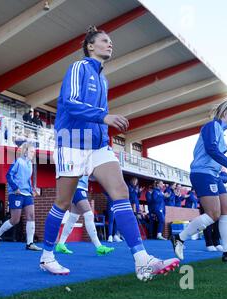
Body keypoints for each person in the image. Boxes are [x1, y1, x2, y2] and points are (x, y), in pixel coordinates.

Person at [38, 26, 179, 279]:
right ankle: (47, 256)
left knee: (121, 192)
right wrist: (105, 117)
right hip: (71, 141)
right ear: (90, 46)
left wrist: (105, 137)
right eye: (105, 40)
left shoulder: (103, 79)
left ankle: (142, 259)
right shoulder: (79, 67)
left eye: (111, 41)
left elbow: (99, 117)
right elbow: (70, 103)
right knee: (62, 202)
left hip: (98, 146)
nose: (110, 44)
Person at [171, 98, 227, 262]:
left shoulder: (220, 132)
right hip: (202, 173)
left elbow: (216, 155)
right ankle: (179, 238)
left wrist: (225, 172)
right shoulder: (211, 126)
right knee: (213, 214)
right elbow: (211, 150)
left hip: (213, 175)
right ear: (225, 114)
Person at [0, 143, 41, 251]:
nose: (33, 154)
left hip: (27, 194)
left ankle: (30, 243)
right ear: (25, 151)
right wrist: (15, 188)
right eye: (31, 151)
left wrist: (32, 189)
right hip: (16, 194)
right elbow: (8, 175)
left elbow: (28, 179)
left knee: (31, 216)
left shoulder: (30, 164)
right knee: (15, 220)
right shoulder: (18, 161)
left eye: (34, 151)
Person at [55, 176, 114, 255]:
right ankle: (99, 246)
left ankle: (60, 244)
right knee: (89, 215)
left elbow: (90, 175)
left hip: (78, 187)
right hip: (77, 187)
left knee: (73, 217)